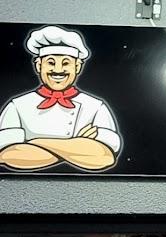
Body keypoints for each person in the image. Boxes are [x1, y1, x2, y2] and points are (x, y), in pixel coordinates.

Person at [0, 26, 122, 172]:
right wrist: (78, 147)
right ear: (39, 66)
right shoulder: (17, 106)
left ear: (77, 66)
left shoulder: (96, 107)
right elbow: (8, 155)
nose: (58, 70)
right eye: (51, 62)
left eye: (66, 63)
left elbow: (104, 157)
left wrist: (34, 142)